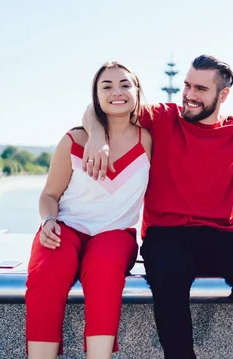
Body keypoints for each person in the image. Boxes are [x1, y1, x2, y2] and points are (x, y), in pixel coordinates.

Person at [81, 55, 233, 359]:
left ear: (223, 95)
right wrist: (96, 137)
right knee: (169, 274)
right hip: (166, 234)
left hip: (222, 234)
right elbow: (101, 107)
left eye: (200, 88)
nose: (189, 94)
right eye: (186, 85)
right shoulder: (162, 116)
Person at [25, 62, 152, 358]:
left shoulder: (148, 139)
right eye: (106, 86)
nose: (116, 92)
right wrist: (47, 221)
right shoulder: (74, 140)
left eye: (124, 85)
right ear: (96, 96)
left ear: (137, 92)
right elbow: (49, 195)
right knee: (47, 272)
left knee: (106, 270)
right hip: (67, 228)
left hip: (116, 234)